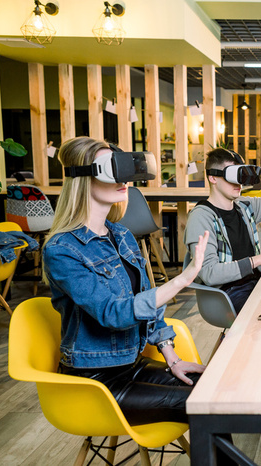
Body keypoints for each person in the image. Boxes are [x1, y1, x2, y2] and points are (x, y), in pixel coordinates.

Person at [42, 136, 213, 428]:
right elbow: (114, 313)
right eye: (112, 169)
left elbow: (148, 304)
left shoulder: (121, 235)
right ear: (83, 179)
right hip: (96, 379)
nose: (124, 180)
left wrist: (173, 359)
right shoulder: (61, 250)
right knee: (202, 406)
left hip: (132, 363)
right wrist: (180, 281)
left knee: (214, 392)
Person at [185, 129, 261, 312]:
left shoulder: (244, 206)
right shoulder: (201, 217)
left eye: (240, 176)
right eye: (231, 176)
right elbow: (210, 273)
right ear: (212, 178)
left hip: (256, 282)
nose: (238, 183)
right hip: (228, 293)